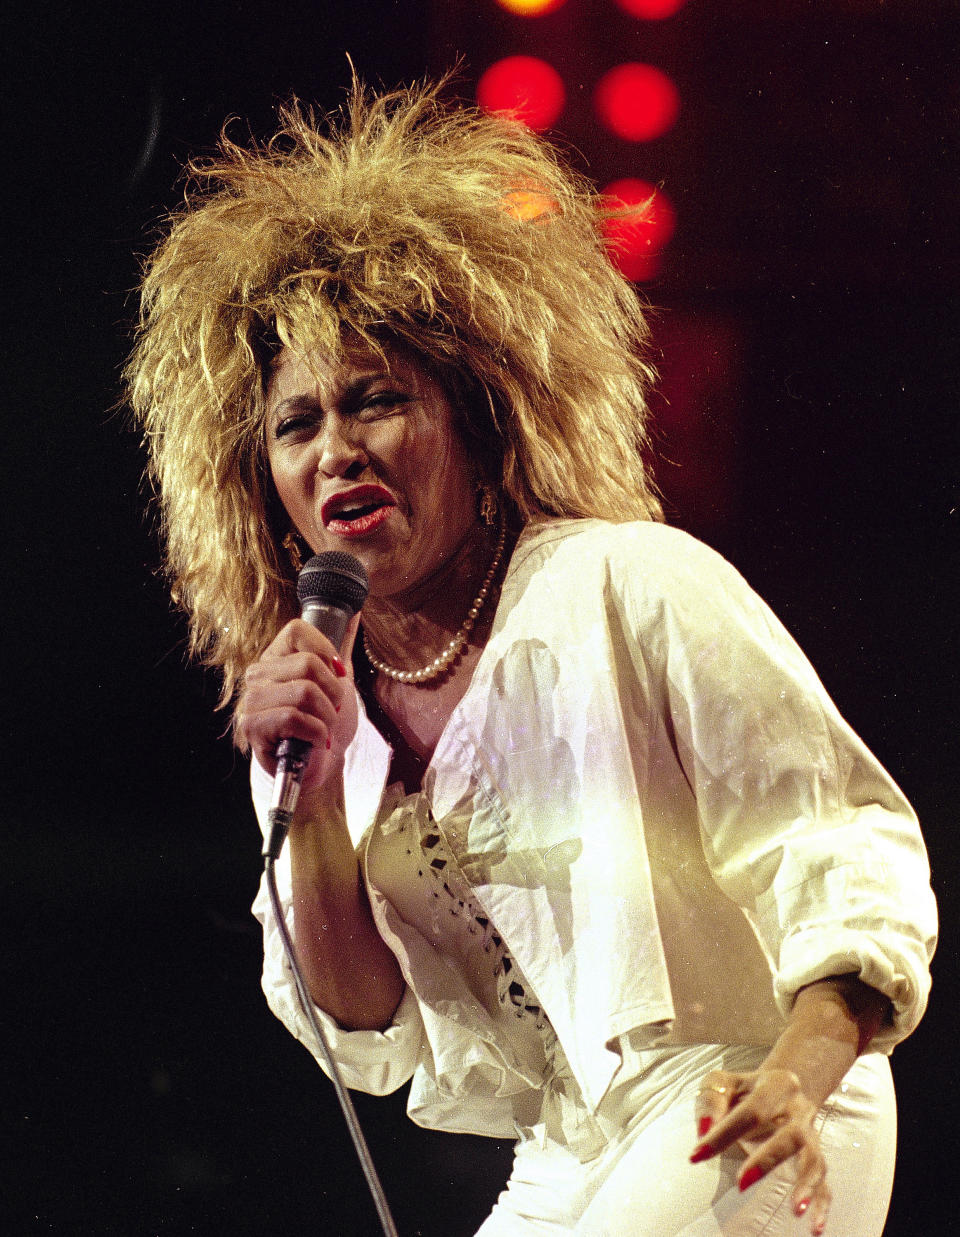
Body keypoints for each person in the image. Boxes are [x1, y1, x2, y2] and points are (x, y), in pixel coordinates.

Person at [127, 78, 937, 1235]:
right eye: (296, 423)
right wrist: (307, 797)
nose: (338, 449)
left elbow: (839, 844)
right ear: (259, 477)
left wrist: (796, 1083)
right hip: (563, 1148)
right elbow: (362, 1016)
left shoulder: (628, 582)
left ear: (476, 414)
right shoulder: (314, 698)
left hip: (747, 1086)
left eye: (376, 400)